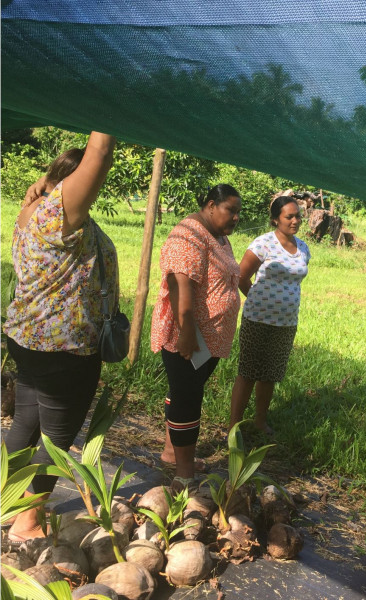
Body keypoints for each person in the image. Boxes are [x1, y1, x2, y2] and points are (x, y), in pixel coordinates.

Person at [3, 131, 117, 545]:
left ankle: (5, 500)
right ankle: (27, 522)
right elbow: (100, 153)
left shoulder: (32, 210)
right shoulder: (61, 215)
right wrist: (112, 104)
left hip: (30, 337)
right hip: (63, 346)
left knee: (27, 423)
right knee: (57, 438)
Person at [151, 184, 242, 491]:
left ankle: (170, 452)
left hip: (210, 338)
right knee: (188, 399)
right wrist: (187, 332)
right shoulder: (189, 234)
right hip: (190, 336)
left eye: (238, 212)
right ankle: (184, 473)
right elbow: (180, 286)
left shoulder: (218, 235)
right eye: (231, 210)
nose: (236, 217)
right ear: (211, 205)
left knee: (185, 391)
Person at [228, 196, 310, 434]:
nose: (295, 221)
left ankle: (260, 421)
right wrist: (255, 297)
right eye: (289, 217)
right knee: (248, 372)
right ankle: (234, 426)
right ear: (276, 219)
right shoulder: (263, 244)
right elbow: (240, 276)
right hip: (257, 319)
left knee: (270, 374)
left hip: (286, 322)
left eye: (298, 216)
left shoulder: (303, 247)